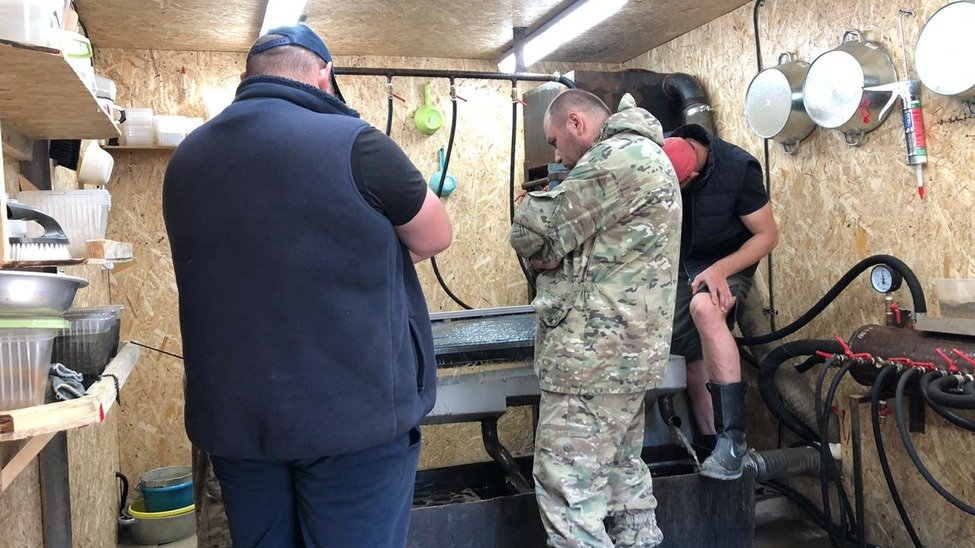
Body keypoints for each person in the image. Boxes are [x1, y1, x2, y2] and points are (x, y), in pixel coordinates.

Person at [162, 24, 452, 546]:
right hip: (354, 423)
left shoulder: (186, 160)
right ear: (324, 76)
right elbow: (435, 236)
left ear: (246, 80)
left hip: (238, 425)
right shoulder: (359, 145)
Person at [510, 89, 682, 547]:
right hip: (624, 356)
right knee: (623, 482)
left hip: (593, 359)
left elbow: (531, 233)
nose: (556, 155)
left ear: (576, 123)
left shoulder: (614, 159)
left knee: (569, 493)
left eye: (554, 141)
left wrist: (550, 249)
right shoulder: (645, 153)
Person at [661, 125, 778, 480]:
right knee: (688, 354)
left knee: (705, 309)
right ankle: (711, 449)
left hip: (728, 260)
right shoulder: (658, 149)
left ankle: (733, 440)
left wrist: (721, 270)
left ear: (693, 177)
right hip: (681, 263)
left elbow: (767, 236)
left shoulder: (738, 168)